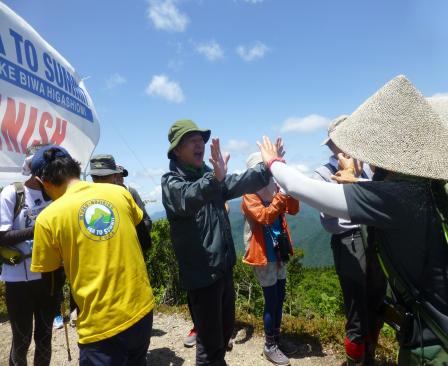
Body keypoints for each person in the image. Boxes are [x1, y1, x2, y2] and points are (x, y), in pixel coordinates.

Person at [256, 75, 448, 365]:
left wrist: (273, 163)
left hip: (432, 344)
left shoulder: (397, 195)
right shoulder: (426, 187)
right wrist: (356, 180)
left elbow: (301, 188)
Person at [30, 145, 155, 366]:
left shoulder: (47, 219)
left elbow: (50, 286)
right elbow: (145, 241)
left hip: (100, 328)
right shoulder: (119, 193)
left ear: (42, 182)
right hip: (141, 311)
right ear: (76, 169)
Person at [161, 119, 273, 365]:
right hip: (202, 279)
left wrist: (268, 168)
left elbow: (238, 182)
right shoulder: (171, 183)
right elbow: (187, 199)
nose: (200, 143)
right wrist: (214, 179)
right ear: (177, 150)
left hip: (223, 271)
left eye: (201, 139)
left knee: (223, 335)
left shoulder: (209, 178)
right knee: (209, 347)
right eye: (192, 140)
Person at [314, 117, 386, 365]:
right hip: (348, 240)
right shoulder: (323, 173)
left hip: (375, 238)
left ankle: (370, 356)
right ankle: (356, 360)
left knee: (377, 302)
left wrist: (361, 175)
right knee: (356, 311)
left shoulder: (367, 166)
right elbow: (328, 216)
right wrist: (350, 181)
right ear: (332, 144)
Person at [0, 144, 63, 366]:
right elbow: (2, 236)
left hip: (49, 278)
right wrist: (39, 228)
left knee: (45, 337)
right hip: (18, 280)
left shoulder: (57, 194)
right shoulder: (12, 193)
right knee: (22, 339)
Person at [241, 152, 300, 365]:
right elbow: (264, 217)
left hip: (279, 251)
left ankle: (277, 338)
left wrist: (288, 188)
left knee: (280, 297)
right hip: (262, 254)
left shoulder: (274, 188)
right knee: (272, 300)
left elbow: (293, 209)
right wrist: (281, 195)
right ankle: (270, 345)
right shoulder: (249, 194)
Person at [88, 155, 152, 251]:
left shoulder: (130, 192)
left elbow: (146, 220)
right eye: (117, 175)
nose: (120, 178)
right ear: (113, 176)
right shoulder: (95, 199)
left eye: (121, 175)